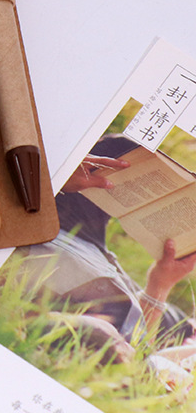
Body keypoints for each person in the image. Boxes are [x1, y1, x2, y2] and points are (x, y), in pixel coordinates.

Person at [20, 133, 196, 350]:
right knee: (121, 152)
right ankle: (60, 177)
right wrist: (161, 284)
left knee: (115, 154)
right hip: (86, 248)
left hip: (67, 248)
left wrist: (160, 284)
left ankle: (56, 179)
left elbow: (136, 353)